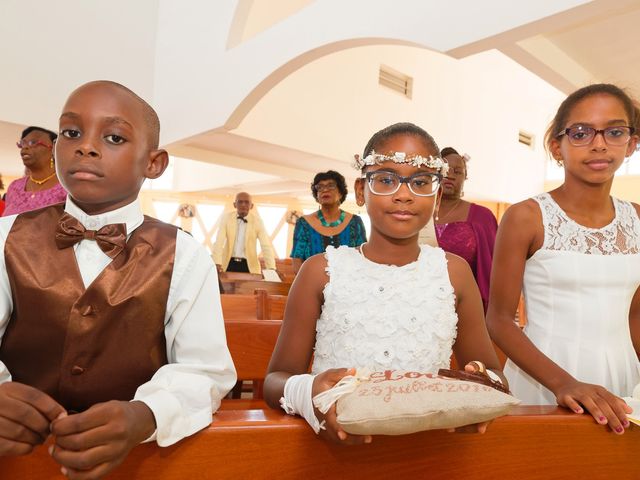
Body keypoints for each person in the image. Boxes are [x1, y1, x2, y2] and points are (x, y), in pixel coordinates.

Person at [0, 80, 236, 477]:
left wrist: (147, 414)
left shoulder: (186, 254)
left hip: (136, 464)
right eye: (71, 133)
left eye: (113, 137)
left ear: (154, 163)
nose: (85, 146)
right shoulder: (6, 236)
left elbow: (204, 369)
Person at [265, 122, 504, 444]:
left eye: (420, 182)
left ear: (436, 193)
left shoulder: (454, 273)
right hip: (335, 450)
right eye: (386, 180)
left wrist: (480, 382)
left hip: (429, 446)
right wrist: (310, 394)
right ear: (362, 191)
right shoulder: (321, 271)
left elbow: (492, 371)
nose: (403, 195)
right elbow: (275, 380)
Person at [486, 83, 640, 436]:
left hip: (623, 375)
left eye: (614, 132)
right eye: (582, 133)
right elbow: (498, 319)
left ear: (631, 144)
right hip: (545, 377)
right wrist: (565, 383)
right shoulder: (526, 216)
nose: (599, 144)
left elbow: (634, 315)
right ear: (558, 146)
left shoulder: (638, 219)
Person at [434, 148, 498, 312]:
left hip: (465, 307)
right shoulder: (418, 213)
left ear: (465, 177)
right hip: (418, 301)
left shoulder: (482, 218)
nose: (451, 175)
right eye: (446, 169)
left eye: (458, 171)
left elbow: (493, 269)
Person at [290, 170, 367, 273]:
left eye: (331, 186)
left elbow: (362, 257)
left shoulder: (355, 222)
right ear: (316, 195)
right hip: (312, 284)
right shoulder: (304, 223)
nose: (325, 190)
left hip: (348, 285)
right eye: (320, 187)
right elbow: (297, 261)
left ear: (340, 193)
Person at [3, 126, 67, 216]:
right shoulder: (14, 187)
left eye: (33, 142)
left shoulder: (67, 186)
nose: (24, 147)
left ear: (53, 149)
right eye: (22, 143)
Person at [212, 191, 276, 275]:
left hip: (250, 266)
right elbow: (218, 242)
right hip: (227, 264)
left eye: (246, 202)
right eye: (240, 202)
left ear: (251, 206)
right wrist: (217, 262)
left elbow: (265, 246)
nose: (243, 205)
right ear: (235, 204)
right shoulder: (226, 218)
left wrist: (271, 268)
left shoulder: (258, 221)